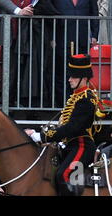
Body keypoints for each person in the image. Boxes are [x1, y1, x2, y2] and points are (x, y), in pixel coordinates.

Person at [26, 54, 104, 196]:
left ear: (84, 77)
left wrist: (41, 136)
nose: (69, 79)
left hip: (82, 146)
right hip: (70, 145)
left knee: (64, 175)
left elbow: (72, 128)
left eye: (73, 76)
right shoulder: (76, 96)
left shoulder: (87, 99)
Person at [47, 0, 99, 107]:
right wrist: (51, 37)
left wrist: (94, 34)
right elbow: (49, 13)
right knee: (63, 72)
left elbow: (93, 11)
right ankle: (62, 106)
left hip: (82, 37)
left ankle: (80, 104)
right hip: (61, 37)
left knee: (82, 72)